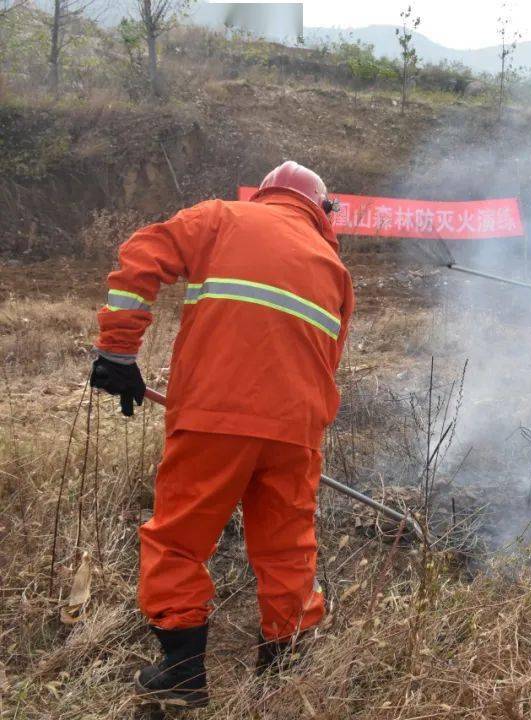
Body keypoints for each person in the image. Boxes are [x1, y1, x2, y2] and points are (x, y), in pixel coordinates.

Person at [90, 161, 354, 708]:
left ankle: (182, 674)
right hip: (297, 431)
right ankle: (284, 674)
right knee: (287, 545)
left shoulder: (219, 219)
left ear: (266, 195)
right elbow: (329, 362)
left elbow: (142, 255)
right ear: (320, 210)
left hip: (215, 418)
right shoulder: (334, 268)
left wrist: (118, 351)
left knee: (180, 538)